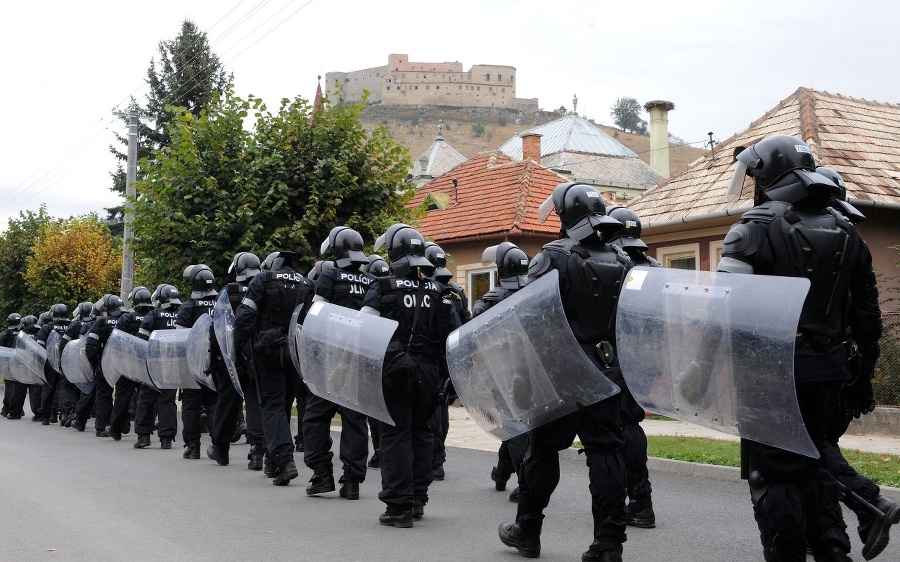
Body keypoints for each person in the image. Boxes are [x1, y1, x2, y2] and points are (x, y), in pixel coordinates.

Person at [718, 135, 883, 562]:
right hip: (829, 370)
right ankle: (833, 550)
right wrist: (861, 378)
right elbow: (868, 317)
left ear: (767, 174)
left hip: (768, 371)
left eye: (754, 173)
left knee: (774, 475)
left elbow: (723, 309)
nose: (751, 182)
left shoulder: (752, 228)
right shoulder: (847, 231)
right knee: (813, 465)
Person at [498, 182, 632, 562]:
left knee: (543, 450)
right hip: (608, 368)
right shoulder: (621, 259)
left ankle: (527, 531)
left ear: (565, 216)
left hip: (561, 368)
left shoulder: (553, 256)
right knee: (606, 451)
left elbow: (526, 316)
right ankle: (609, 544)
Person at [814, 166, 899, 560]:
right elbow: (871, 322)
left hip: (821, 368)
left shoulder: (818, 245)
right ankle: (840, 535)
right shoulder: (851, 241)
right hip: (845, 369)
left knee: (810, 453)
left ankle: (868, 505)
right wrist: (863, 378)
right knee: (820, 449)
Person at [362, 223, 461, 527]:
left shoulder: (383, 287)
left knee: (394, 435)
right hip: (429, 373)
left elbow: (366, 332)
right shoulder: (442, 292)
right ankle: (418, 498)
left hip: (395, 370)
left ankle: (399, 506)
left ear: (393, 253)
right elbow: (455, 337)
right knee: (421, 433)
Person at [303, 227, 374, 500]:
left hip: (330, 360)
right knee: (355, 420)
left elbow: (315, 315)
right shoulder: (370, 281)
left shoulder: (330, 275)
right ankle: (352, 482)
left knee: (314, 417)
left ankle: (321, 475)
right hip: (361, 360)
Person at [233, 251, 315, 486]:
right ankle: (272, 459)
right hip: (296, 352)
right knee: (285, 404)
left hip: (267, 352)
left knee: (272, 405)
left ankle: (284, 459)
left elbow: (245, 317)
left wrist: (238, 349)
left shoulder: (263, 279)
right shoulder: (308, 284)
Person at [606, 205, 658, 529]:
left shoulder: (615, 265)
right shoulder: (651, 266)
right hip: (648, 355)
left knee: (623, 428)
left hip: (619, 355)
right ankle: (635, 500)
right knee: (628, 424)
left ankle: (639, 501)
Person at [474, 242, 531, 503]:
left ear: (499, 271)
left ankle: (526, 480)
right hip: (531, 371)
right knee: (518, 424)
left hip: (502, 373)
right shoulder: (535, 295)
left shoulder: (488, 302)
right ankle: (502, 473)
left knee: (513, 425)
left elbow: (473, 337)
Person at [207, 252, 262, 467]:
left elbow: (216, 328)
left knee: (228, 401)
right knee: (257, 401)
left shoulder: (228, 291)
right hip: (258, 351)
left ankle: (221, 449)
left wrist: (213, 357)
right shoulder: (264, 286)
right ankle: (257, 451)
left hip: (232, 354)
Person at [423, 241, 470, 481]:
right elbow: (465, 323)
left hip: (432, 356)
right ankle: (437, 458)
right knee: (441, 407)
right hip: (450, 356)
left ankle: (435, 460)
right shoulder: (456, 291)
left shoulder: (428, 290)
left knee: (433, 409)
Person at [175, 264, 220, 459]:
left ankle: (192, 447)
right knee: (214, 404)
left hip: (193, 364)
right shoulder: (222, 303)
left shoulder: (189, 307)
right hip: (217, 363)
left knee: (191, 407)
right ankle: (218, 444)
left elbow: (180, 339)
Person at [134, 284, 181, 449]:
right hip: (173, 365)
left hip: (153, 364)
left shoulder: (153, 315)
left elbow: (141, 341)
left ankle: (143, 437)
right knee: (167, 400)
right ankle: (166, 439)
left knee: (146, 400)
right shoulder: (181, 315)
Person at [105, 287, 154, 441]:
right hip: (147, 363)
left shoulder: (127, 318)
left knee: (122, 397)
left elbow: (116, 340)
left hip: (128, 363)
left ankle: (115, 429)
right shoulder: (153, 316)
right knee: (146, 397)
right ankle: (146, 428)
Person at [84, 295, 126, 437]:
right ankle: (121, 424)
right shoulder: (127, 319)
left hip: (105, 363)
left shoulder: (101, 322)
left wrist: (95, 363)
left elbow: (90, 345)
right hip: (124, 364)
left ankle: (102, 427)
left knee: (103, 395)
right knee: (123, 395)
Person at [363, 254, 390, 470]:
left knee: (374, 410)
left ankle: (381, 451)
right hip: (396, 359)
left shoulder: (377, 290)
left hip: (375, 359)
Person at [33, 303, 69, 424]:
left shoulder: (47, 327)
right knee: (64, 387)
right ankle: (63, 413)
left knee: (48, 388)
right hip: (66, 361)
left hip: (50, 361)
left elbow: (39, 346)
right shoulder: (71, 326)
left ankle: (46, 416)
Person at [1, 313, 25, 419]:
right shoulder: (22, 334)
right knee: (18, 387)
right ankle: (13, 407)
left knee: (9, 386)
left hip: (7, 364)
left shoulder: (4, 334)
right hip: (19, 363)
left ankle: (9, 408)